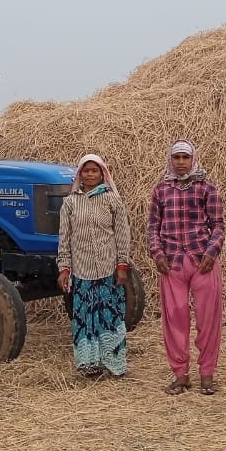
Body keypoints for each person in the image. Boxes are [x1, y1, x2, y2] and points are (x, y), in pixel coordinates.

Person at [149, 139, 225, 396]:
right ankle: (180, 375)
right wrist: (157, 253)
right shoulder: (161, 191)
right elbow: (153, 227)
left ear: (193, 160)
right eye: (177, 158)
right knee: (175, 319)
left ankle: (207, 374)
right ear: (171, 160)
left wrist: (211, 253)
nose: (181, 162)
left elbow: (218, 226)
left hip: (202, 261)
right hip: (171, 263)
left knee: (208, 320)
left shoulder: (207, 189)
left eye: (185, 157)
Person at [57, 154, 133, 378]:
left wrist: (122, 265)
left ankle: (115, 365)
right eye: (86, 171)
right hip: (82, 272)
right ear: (80, 174)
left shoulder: (112, 200)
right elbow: (64, 237)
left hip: (107, 271)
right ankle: (89, 365)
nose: (90, 175)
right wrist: (64, 267)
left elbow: (122, 235)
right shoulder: (70, 202)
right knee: (84, 318)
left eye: (94, 171)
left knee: (109, 317)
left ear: (102, 174)